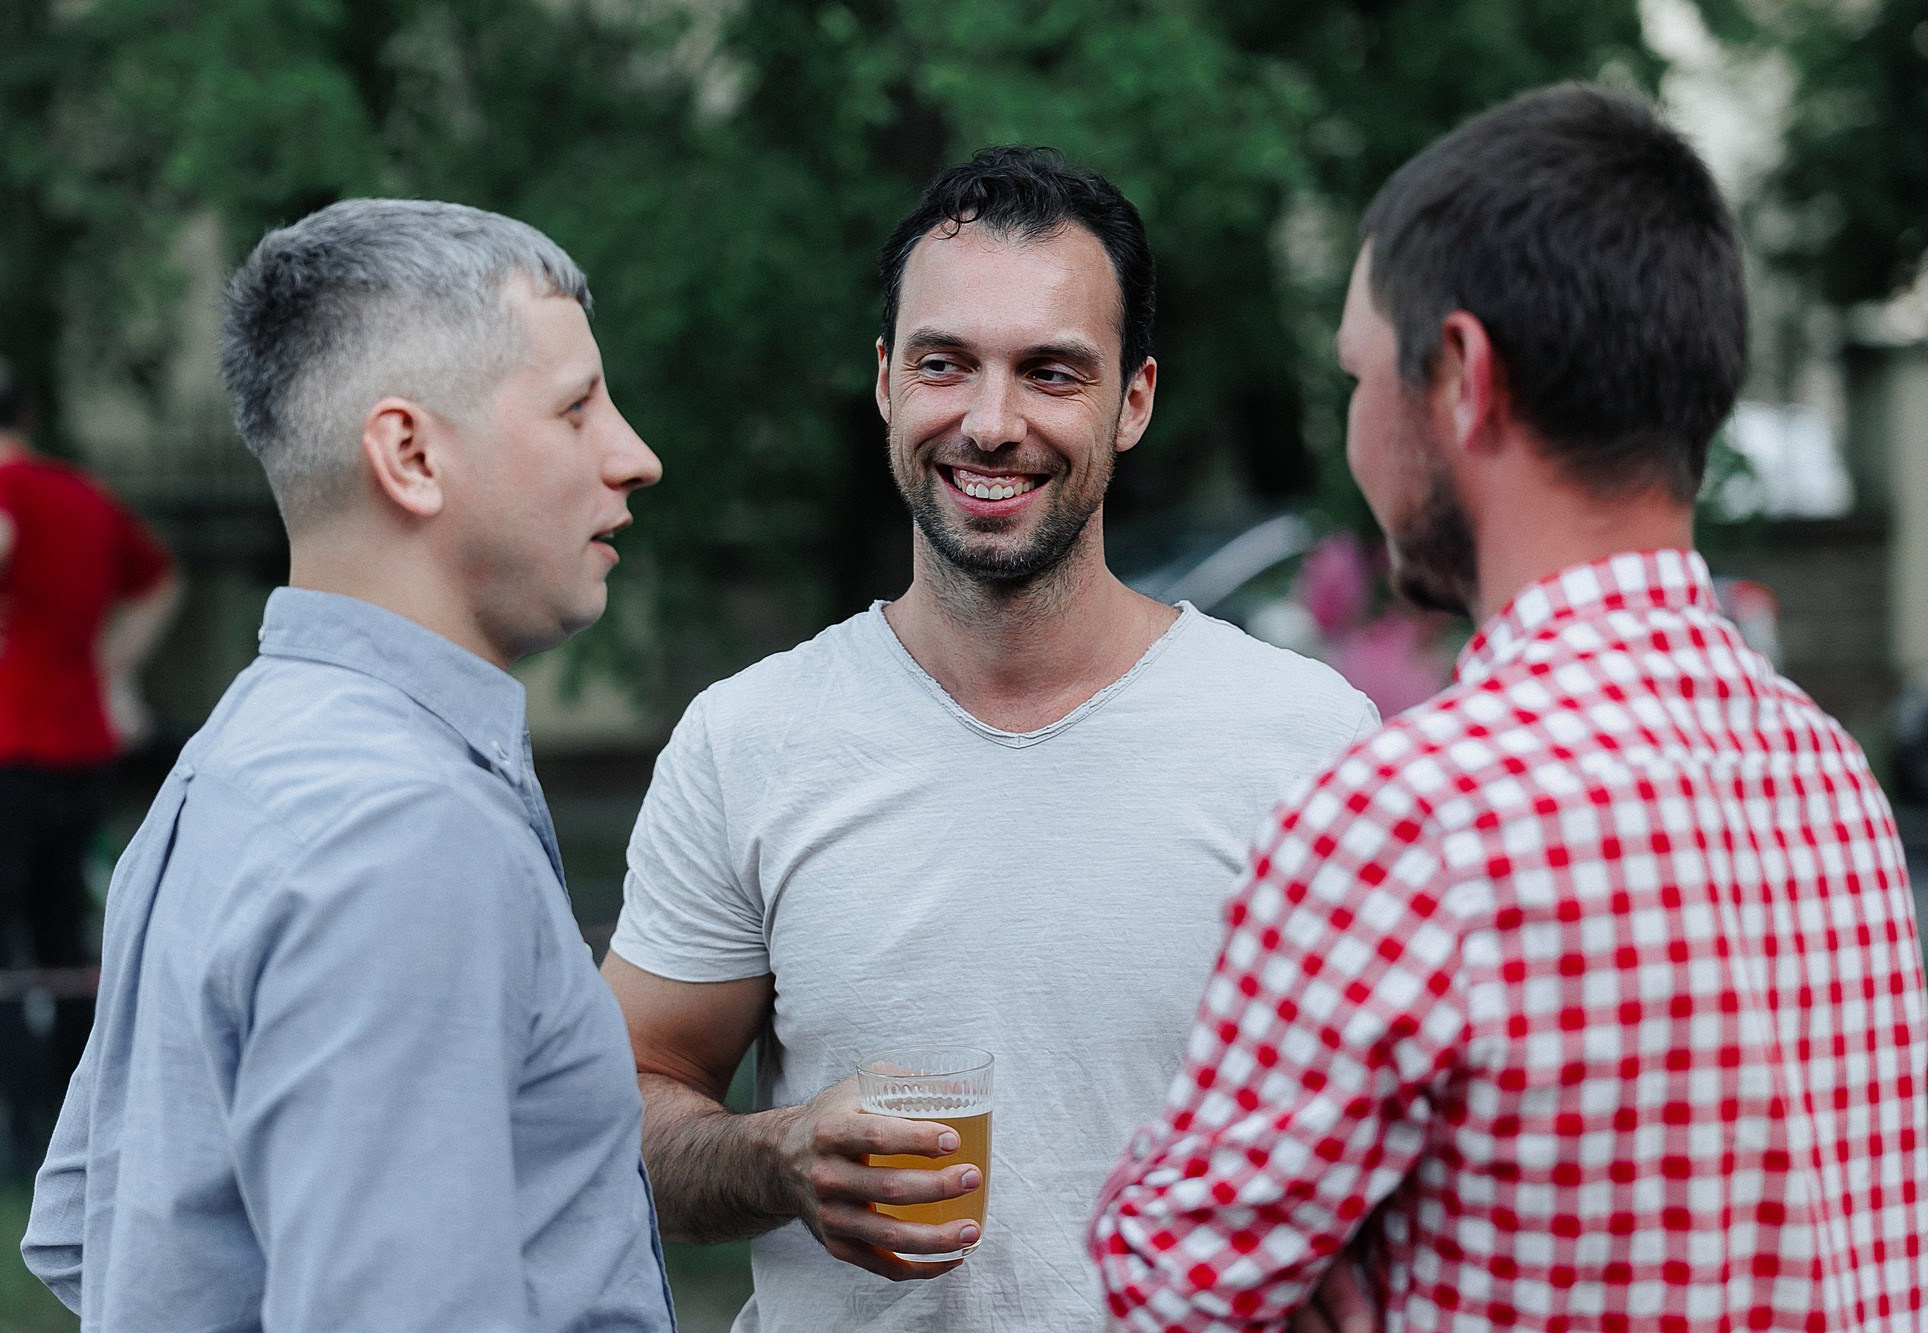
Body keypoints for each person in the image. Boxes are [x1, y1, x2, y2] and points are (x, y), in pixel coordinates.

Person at [1092, 84, 1928, 1331]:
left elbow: (1164, 1289)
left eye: (1359, 377)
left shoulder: (1410, 822)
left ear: (1462, 378)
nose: (1355, 435)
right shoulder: (1828, 776)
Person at [602, 146, 1377, 1332]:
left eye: (1050, 372)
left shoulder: (1306, 741)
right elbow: (617, 1111)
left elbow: (1395, 1145)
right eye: (943, 364)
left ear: (1133, 401)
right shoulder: (747, 740)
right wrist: (777, 1156)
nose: (989, 421)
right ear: (884, 381)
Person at [22, 200, 677, 1331]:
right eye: (576, 408)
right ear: (411, 456)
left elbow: (100, 1234)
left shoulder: (234, 758)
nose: (635, 456)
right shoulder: (402, 827)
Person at [0, 357, 180, 1174]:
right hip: (80, 748)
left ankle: (21, 1129)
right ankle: (75, 1128)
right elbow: (159, 580)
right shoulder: (82, 493)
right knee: (63, 940)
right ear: (29, 414)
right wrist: (112, 661)